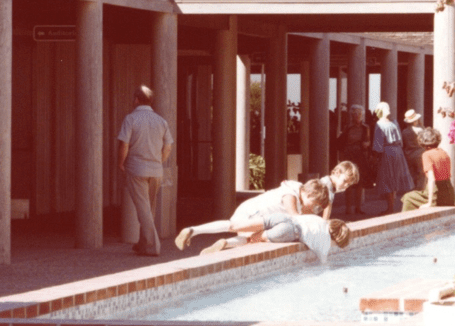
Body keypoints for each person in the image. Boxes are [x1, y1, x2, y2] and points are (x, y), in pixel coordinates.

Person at [174, 178, 330, 254]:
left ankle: (221, 241)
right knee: (233, 227)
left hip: (256, 213)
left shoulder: (296, 192)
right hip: (253, 212)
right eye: (314, 203)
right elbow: (295, 217)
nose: (312, 207)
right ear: (309, 194)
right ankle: (196, 231)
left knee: (250, 238)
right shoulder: (291, 194)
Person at [117, 85, 173, 256]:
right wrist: (159, 161)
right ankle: (142, 244)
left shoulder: (131, 119)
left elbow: (124, 144)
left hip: (137, 169)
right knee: (149, 209)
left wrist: (121, 163)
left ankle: (153, 246)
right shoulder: (161, 121)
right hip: (156, 170)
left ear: (136, 99)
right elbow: (168, 146)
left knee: (143, 209)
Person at [231, 213, 352, 263]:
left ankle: (224, 232)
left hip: (284, 218)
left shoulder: (320, 220)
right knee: (252, 239)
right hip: (289, 232)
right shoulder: (325, 243)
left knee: (237, 226)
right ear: (337, 240)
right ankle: (229, 243)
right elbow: (323, 263)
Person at [372, 101, 414, 215]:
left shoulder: (379, 124)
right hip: (398, 152)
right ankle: (397, 205)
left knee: (388, 179)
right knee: (395, 178)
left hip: (387, 152)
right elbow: (400, 140)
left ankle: (390, 208)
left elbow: (378, 144)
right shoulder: (394, 123)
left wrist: (376, 157)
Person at [401, 127, 455, 211]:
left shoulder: (427, 154)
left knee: (408, 198)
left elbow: (432, 179)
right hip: (449, 195)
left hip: (438, 196)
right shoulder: (443, 152)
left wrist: (430, 203)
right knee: (413, 196)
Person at [336, 105, 371, 215]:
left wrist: (367, 145)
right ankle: (348, 208)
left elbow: (368, 140)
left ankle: (358, 208)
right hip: (349, 155)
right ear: (351, 115)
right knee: (348, 181)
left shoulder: (366, 128)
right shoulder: (347, 127)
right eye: (355, 114)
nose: (357, 116)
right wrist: (341, 158)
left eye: (359, 114)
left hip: (360, 155)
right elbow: (341, 143)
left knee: (360, 182)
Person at [401, 108, 425, 190]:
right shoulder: (420, 130)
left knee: (412, 174)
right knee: (421, 173)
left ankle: (412, 189)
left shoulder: (404, 132)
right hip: (419, 154)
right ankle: (420, 189)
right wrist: (421, 125)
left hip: (409, 155)